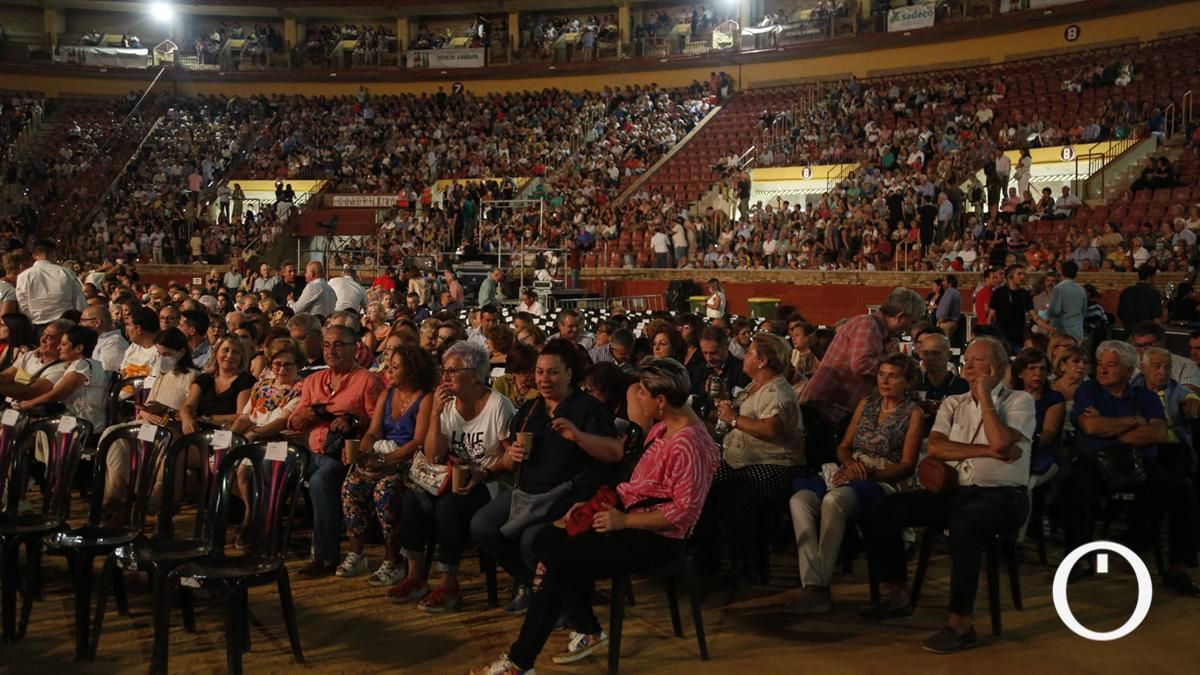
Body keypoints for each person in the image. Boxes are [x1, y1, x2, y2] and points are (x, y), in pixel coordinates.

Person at [469, 358, 719, 675]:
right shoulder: (663, 428)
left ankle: (521, 661)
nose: (636, 398)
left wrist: (623, 521)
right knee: (545, 538)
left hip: (657, 537)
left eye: (641, 393)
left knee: (557, 559)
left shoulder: (689, 444)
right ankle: (587, 628)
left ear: (661, 400)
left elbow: (682, 514)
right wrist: (594, 506)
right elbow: (640, 487)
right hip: (628, 517)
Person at [862, 337, 1035, 654]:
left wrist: (984, 397)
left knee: (965, 522)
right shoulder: (953, 403)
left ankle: (960, 624)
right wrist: (990, 452)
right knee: (886, 507)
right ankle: (899, 596)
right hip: (957, 490)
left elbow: (1000, 438)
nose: (968, 364)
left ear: (996, 367)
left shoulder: (1019, 401)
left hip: (1004, 497)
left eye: (977, 360)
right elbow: (939, 448)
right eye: (966, 359)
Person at [469, 339, 620, 615]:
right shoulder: (530, 410)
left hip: (568, 496)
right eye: (539, 372)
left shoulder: (587, 408)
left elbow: (614, 453)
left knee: (531, 539)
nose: (544, 379)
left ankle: (557, 602)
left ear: (569, 374)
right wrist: (510, 456)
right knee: (481, 526)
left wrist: (579, 436)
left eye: (552, 372)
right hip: (527, 493)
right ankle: (533, 586)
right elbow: (508, 459)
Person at [787, 353, 924, 614]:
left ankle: (818, 588)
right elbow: (844, 447)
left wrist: (868, 475)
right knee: (800, 501)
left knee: (834, 501)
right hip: (851, 470)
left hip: (883, 479)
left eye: (893, 376)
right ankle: (814, 582)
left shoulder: (913, 413)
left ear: (907, 382)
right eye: (882, 374)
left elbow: (907, 464)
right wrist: (850, 464)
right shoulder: (867, 404)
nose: (884, 380)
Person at [1064, 341, 1199, 594]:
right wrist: (1133, 422)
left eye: (1111, 365)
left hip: (1140, 461)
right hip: (1097, 461)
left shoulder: (1144, 396)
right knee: (1077, 485)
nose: (1102, 370)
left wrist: (1109, 429)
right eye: (1100, 365)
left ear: (1128, 370)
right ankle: (1077, 559)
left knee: (1184, 493)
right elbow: (1090, 428)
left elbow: (1158, 432)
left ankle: (1178, 569)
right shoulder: (1088, 390)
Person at [387, 342, 512, 610]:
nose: (445, 377)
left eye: (453, 371)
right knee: (411, 499)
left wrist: (485, 472)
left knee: (449, 506)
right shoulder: (446, 405)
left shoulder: (498, 406)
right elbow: (433, 455)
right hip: (447, 479)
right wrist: (435, 415)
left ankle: (449, 583)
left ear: (476, 374)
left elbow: (511, 456)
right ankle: (415, 575)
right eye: (444, 371)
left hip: (487, 483)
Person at [287, 324, 384, 578]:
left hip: (344, 453)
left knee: (321, 482)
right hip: (311, 450)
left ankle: (325, 556)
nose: (331, 350)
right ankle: (263, 540)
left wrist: (353, 420)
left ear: (356, 348)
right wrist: (309, 413)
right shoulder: (314, 380)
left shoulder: (367, 380)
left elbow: (377, 424)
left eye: (339, 344)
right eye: (328, 344)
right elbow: (294, 423)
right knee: (268, 463)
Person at [339, 344, 437, 587]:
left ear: (412, 370)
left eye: (395, 367)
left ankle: (393, 558)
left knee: (386, 491)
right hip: (382, 455)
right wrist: (361, 453)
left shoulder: (426, 398)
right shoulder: (387, 394)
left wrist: (385, 461)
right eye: (389, 365)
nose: (388, 371)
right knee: (351, 486)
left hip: (407, 462)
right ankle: (357, 552)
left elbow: (418, 442)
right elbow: (373, 431)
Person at [710, 333, 805, 577]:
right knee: (705, 481)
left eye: (750, 352)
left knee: (734, 491)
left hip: (776, 465)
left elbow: (770, 429)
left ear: (763, 360)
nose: (745, 355)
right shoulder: (754, 387)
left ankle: (747, 561)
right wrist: (725, 408)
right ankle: (711, 555)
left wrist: (733, 418)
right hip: (743, 460)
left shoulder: (777, 391)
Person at [800, 287, 925, 425]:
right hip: (824, 409)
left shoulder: (885, 336)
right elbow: (861, 364)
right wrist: (898, 371)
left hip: (839, 410)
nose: (910, 328)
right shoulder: (867, 324)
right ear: (900, 317)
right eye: (911, 322)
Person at [16, 325, 107, 431]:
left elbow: (58, 394)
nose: (58, 348)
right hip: (74, 420)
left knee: (21, 426)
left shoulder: (82, 366)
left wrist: (29, 404)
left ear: (78, 348)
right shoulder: (89, 364)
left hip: (80, 425)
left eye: (63, 344)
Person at [1011, 348, 1065, 478]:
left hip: (1040, 449)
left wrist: (1028, 445)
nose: (1038, 373)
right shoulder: (1010, 397)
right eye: (1032, 368)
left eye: (1042, 369)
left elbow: (1050, 432)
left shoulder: (1054, 398)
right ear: (1020, 373)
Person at [15, 239, 85, 332]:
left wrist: (30, 321)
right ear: (53, 254)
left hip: (38, 324)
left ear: (34, 255)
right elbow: (79, 301)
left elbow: (23, 304)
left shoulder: (23, 276)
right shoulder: (66, 273)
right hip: (65, 324)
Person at [1129, 320, 1200, 390]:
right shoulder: (1129, 364)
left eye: (1148, 345)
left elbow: (1189, 394)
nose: (1144, 350)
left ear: (1162, 341)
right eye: (1139, 346)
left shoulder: (1186, 365)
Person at [987, 264, 1039, 353]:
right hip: (1001, 337)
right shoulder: (999, 293)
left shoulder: (1024, 294)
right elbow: (990, 316)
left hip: (1018, 338)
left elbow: (1034, 316)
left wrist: (1049, 327)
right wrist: (989, 335)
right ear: (1010, 276)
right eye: (1019, 274)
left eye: (1023, 274)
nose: (1022, 277)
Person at [1046, 260, 1087, 341]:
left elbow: (1054, 311)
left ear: (1062, 272)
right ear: (1076, 274)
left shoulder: (1058, 288)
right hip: (1077, 331)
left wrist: (1047, 311)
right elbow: (1084, 311)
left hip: (1062, 331)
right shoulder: (1081, 289)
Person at [81, 305, 128, 373]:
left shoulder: (114, 343)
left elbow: (106, 374)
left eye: (83, 320)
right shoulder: (95, 338)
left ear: (97, 323)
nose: (80, 324)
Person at [492, 343, 540, 408]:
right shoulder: (502, 384)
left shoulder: (540, 388)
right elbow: (496, 408)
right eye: (525, 372)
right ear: (514, 372)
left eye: (534, 370)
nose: (532, 375)